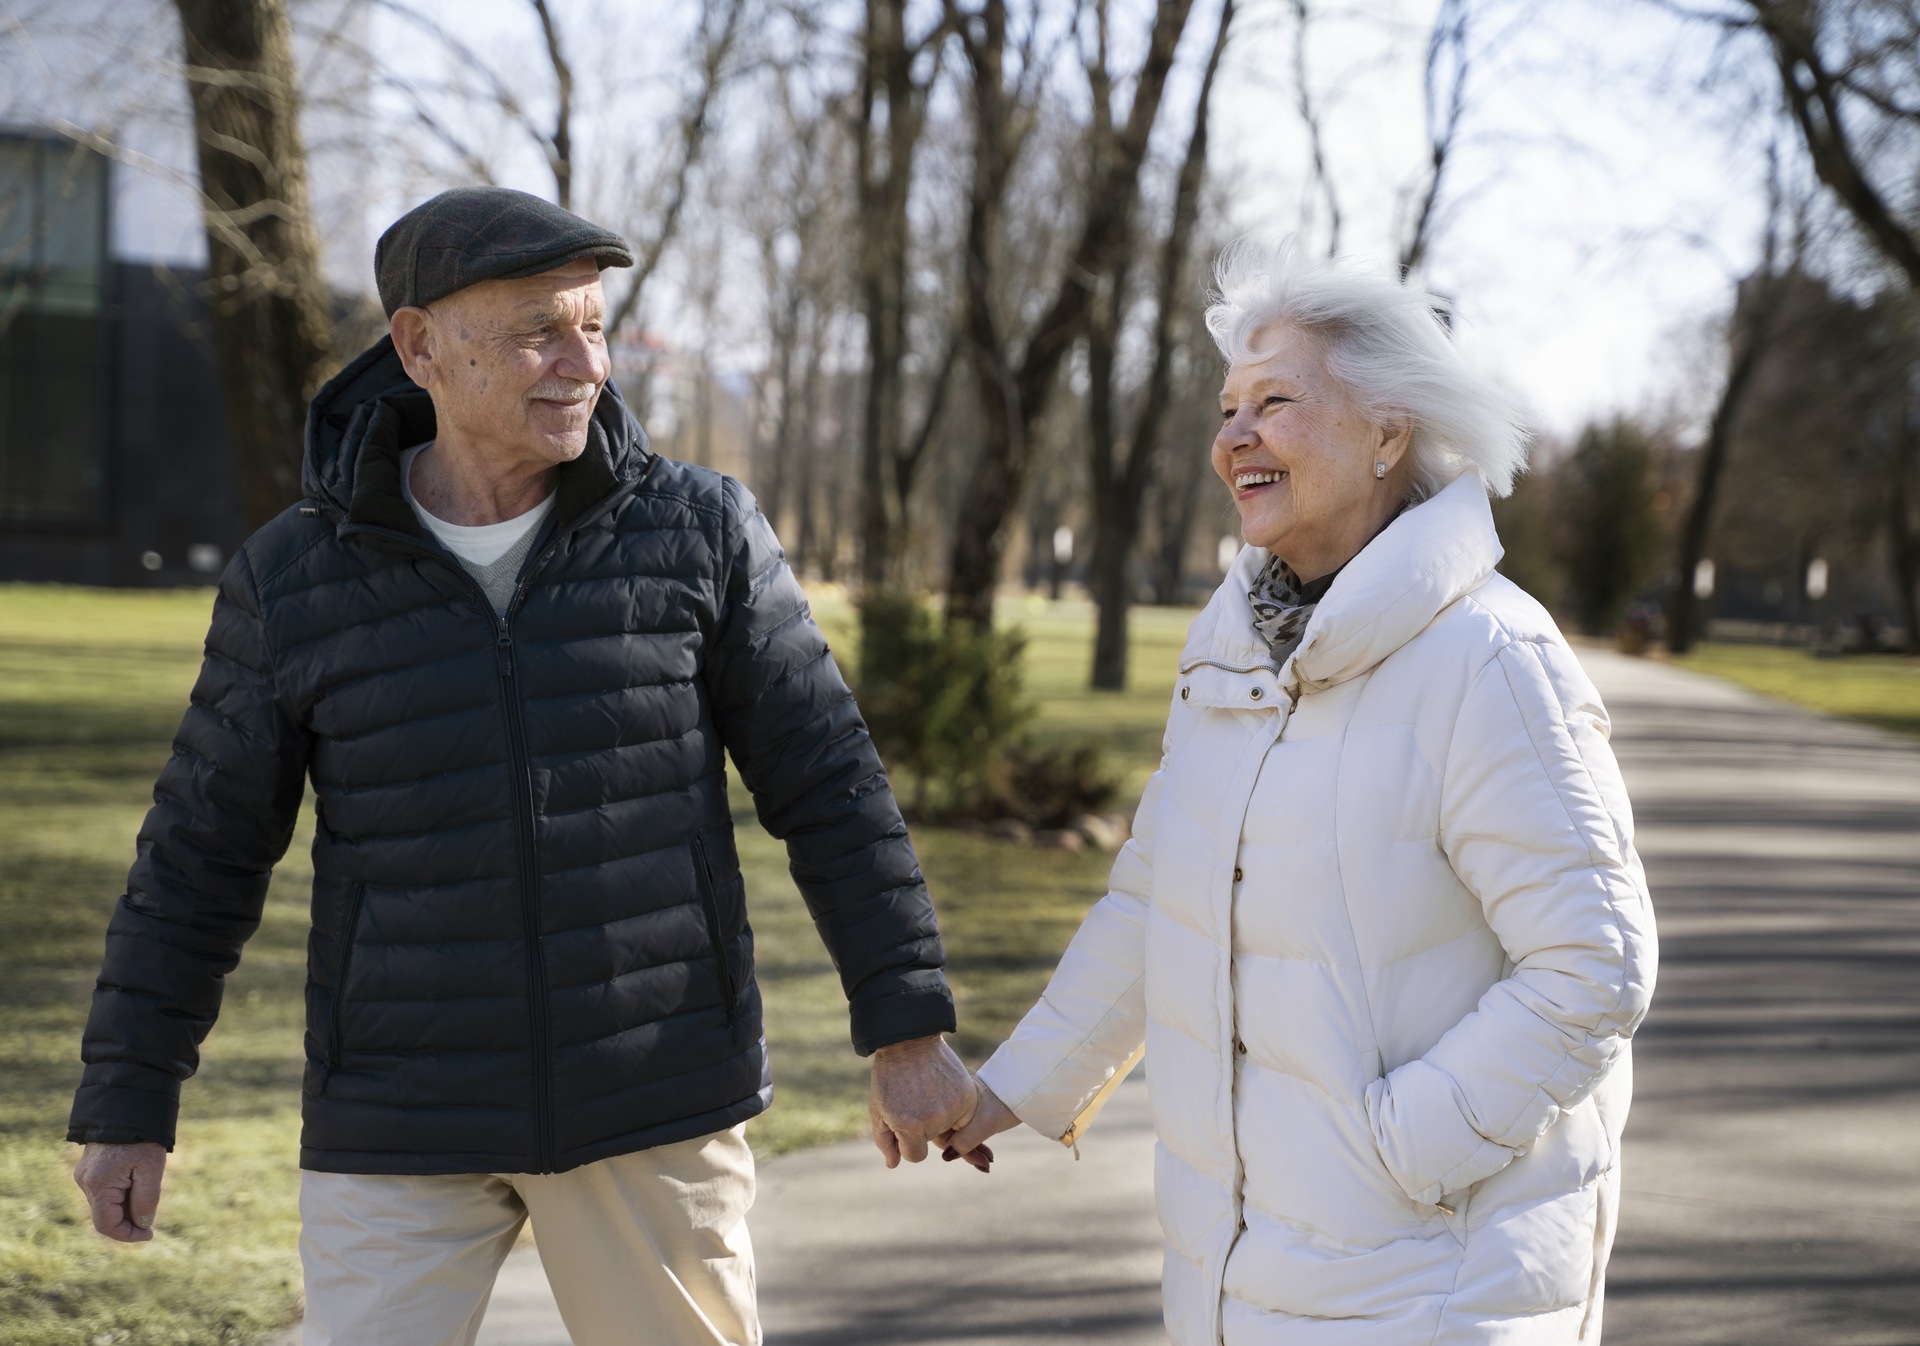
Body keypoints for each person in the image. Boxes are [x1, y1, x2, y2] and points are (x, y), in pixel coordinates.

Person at [67, 187, 979, 1346]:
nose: (582, 362)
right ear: (419, 345)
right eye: (539, 330)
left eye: (592, 325)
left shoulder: (699, 529)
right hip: (399, 1110)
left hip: (650, 1097)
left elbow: (831, 783)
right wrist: (130, 1096)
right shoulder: (294, 576)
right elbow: (197, 854)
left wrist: (907, 1029)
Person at [945, 241, 1659, 1344]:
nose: (1234, 436)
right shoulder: (1230, 650)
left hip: (1432, 1286)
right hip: (1240, 1275)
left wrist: (1397, 1146)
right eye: (1228, 407)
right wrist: (1016, 1083)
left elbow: (1597, 960)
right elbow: (1157, 898)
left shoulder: (1490, 658)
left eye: (1274, 402)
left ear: (1388, 433)